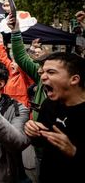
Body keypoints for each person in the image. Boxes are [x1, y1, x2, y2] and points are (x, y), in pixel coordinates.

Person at [24, 52, 85, 183]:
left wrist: (73, 151)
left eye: (51, 72)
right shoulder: (49, 105)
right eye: (43, 73)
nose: (43, 78)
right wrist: (35, 132)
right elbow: (41, 143)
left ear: (74, 79)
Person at [0, 34, 34, 108]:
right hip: (7, 107)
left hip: (21, 109)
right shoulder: (10, 73)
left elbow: (23, 62)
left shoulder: (25, 76)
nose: (12, 63)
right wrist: (0, 42)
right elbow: (3, 59)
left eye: (15, 62)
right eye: (12, 61)